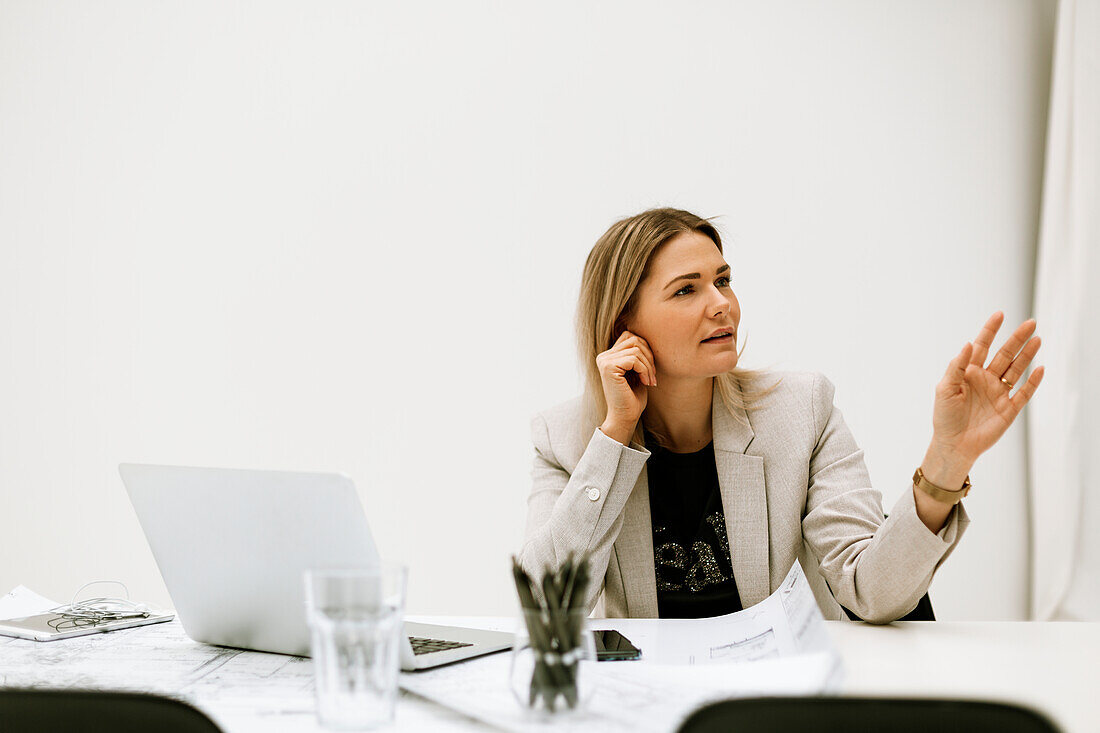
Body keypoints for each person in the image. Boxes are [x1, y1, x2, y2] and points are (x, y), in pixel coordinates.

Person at [518, 207, 1045, 622]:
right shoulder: (565, 440)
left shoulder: (801, 411)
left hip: (776, 702)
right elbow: (546, 608)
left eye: (722, 280)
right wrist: (614, 437)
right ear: (622, 324)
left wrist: (948, 459)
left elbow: (872, 592)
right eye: (686, 289)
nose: (722, 303)